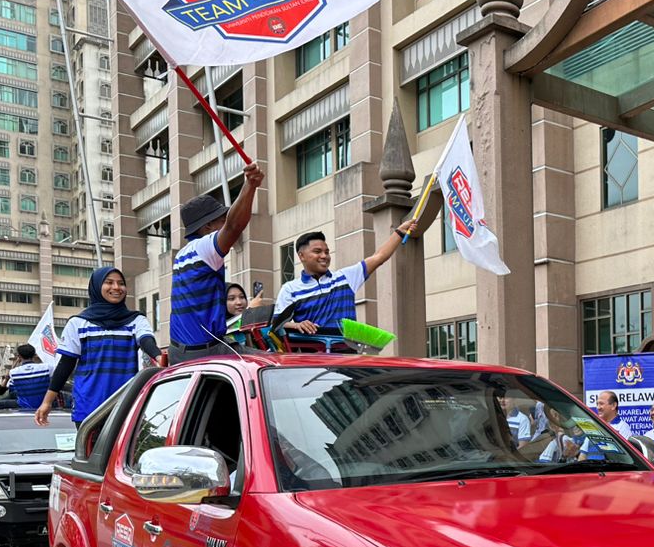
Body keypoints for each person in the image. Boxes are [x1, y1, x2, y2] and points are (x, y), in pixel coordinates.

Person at [36, 267, 160, 426]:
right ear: (96, 287)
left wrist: (157, 355)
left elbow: (146, 340)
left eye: (121, 283)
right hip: (88, 408)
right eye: (109, 283)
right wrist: (47, 402)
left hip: (126, 406)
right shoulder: (78, 323)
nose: (116, 287)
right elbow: (65, 366)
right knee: (90, 451)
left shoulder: (136, 320)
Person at [170, 162, 264, 362]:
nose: (225, 223)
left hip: (180, 350)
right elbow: (234, 226)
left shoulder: (182, 255)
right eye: (222, 219)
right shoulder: (204, 248)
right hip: (203, 352)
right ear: (208, 226)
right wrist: (250, 185)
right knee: (271, 364)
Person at [275, 221, 418, 336]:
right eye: (317, 252)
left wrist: (398, 232)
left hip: (347, 357)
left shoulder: (344, 277)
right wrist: (297, 325)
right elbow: (275, 324)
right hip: (312, 361)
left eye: (326, 252)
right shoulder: (290, 289)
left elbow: (378, 257)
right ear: (301, 256)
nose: (324, 256)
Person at [0, 344, 50, 411]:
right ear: (34, 355)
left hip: (23, 404)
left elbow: (0, 392)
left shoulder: (14, 373)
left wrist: (7, 378)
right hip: (42, 403)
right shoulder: (47, 368)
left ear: (19, 357)